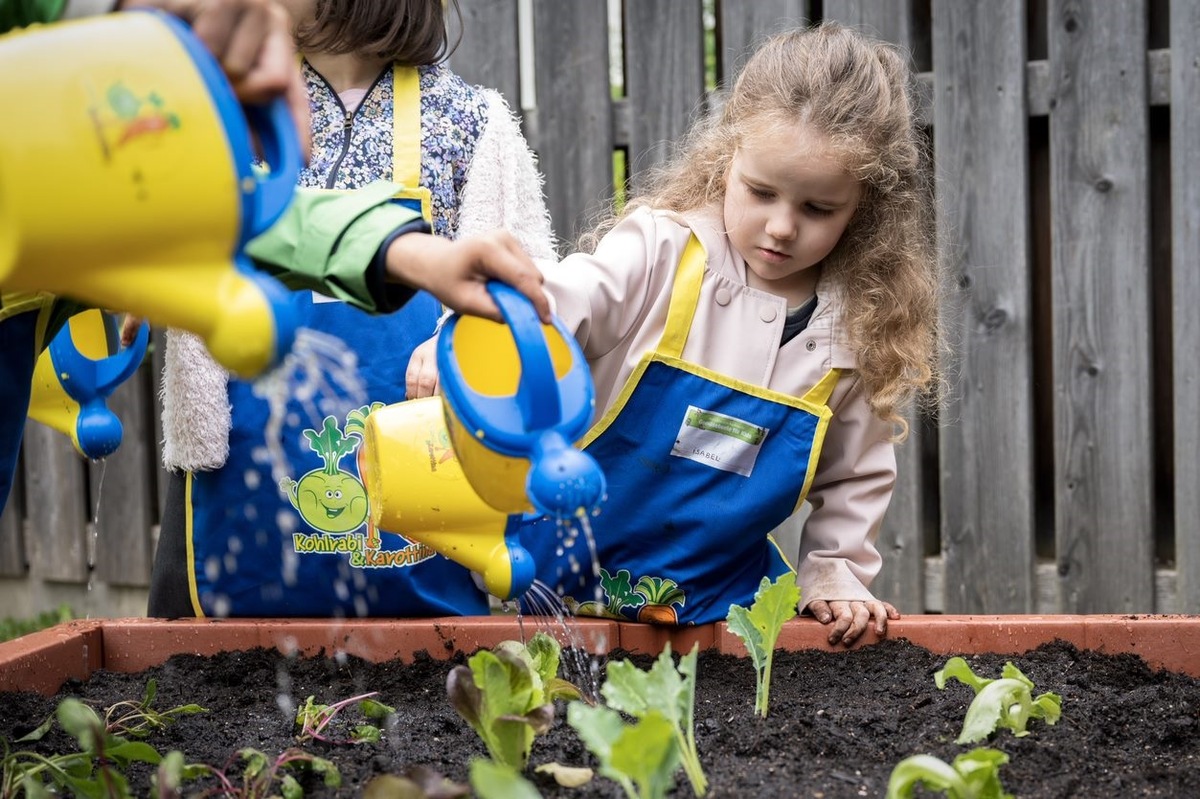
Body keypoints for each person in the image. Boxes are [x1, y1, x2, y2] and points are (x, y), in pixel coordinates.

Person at [418, 23, 943, 645]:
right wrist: (486, 330)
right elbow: (565, 300)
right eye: (761, 192)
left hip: (716, 604)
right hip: (553, 577)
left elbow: (853, 476)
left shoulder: (856, 328)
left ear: (863, 207)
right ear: (728, 164)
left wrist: (835, 572)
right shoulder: (662, 252)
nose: (780, 226)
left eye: (817, 209)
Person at [0, 0, 550, 515]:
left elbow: (241, 215)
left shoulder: (462, 122)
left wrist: (409, 259)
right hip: (237, 487)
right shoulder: (220, 108)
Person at [148, 0, 557, 618]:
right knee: (212, 668)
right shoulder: (231, 111)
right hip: (240, 458)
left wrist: (461, 343)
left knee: (419, 675)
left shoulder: (469, 124)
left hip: (426, 462)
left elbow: (523, 285)